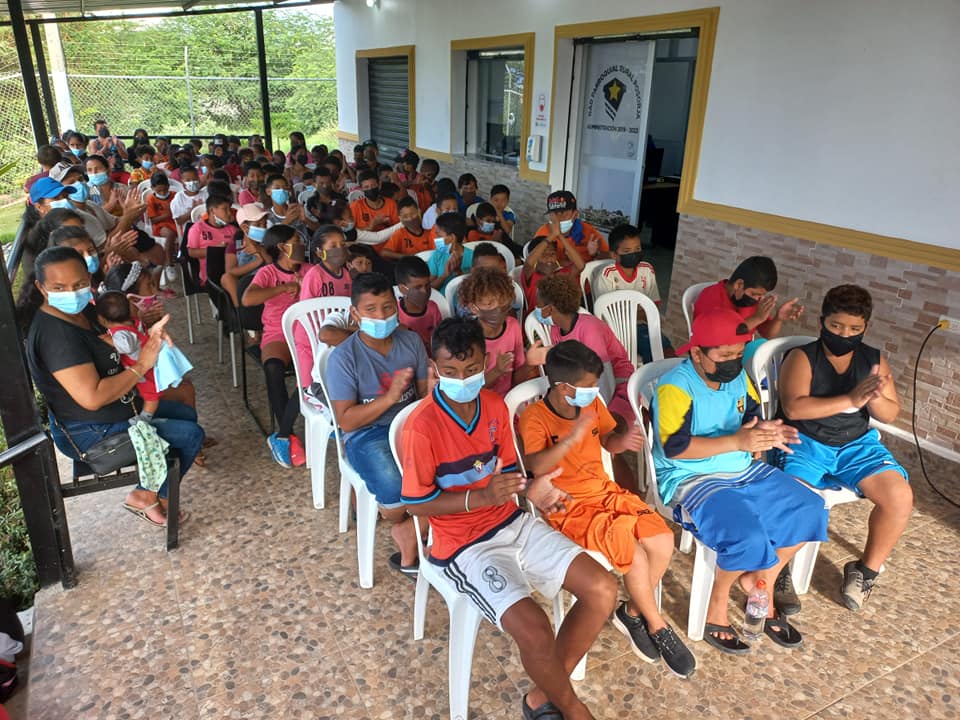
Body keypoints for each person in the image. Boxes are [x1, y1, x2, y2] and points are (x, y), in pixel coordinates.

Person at [401, 317, 617, 720]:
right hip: (463, 544)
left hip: (510, 520)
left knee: (603, 589)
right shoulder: (421, 427)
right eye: (449, 371)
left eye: (470, 369)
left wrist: (531, 489)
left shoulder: (494, 406)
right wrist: (480, 497)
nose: (461, 379)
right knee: (535, 629)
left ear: (486, 362)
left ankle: (541, 696)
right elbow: (416, 505)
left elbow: (507, 473)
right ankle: (573, 708)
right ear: (434, 367)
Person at [651, 309, 829, 655]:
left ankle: (761, 581)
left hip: (741, 467)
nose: (733, 362)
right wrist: (737, 441)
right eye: (724, 355)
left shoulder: (737, 378)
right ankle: (717, 606)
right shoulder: (675, 387)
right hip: (692, 477)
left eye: (737, 353)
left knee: (810, 509)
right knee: (746, 534)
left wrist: (764, 431)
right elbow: (676, 449)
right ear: (697, 352)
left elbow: (750, 417)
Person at [520, 340, 696, 677]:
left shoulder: (591, 404)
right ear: (563, 387)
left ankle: (631, 613)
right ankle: (658, 626)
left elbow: (606, 439)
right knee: (635, 554)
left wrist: (622, 442)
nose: (594, 391)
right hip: (569, 506)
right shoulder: (534, 417)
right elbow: (536, 466)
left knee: (662, 539)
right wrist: (570, 439)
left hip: (606, 492)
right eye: (588, 386)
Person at [26, 246, 204, 528]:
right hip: (91, 433)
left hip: (118, 409)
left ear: (89, 278)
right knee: (191, 435)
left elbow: (118, 333)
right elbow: (93, 398)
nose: (71, 293)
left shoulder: (85, 310)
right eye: (59, 287)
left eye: (79, 284)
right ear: (41, 287)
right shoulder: (56, 336)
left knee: (185, 412)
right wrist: (142, 364)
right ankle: (148, 495)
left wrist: (144, 329)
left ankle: (153, 489)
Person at [777, 284, 910, 611]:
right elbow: (794, 408)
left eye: (854, 328)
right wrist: (851, 399)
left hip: (855, 444)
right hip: (805, 441)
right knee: (795, 503)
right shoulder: (802, 357)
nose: (844, 334)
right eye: (836, 326)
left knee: (899, 497)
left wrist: (874, 398)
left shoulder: (873, 360)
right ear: (822, 321)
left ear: (865, 327)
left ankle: (866, 571)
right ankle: (778, 570)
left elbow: (890, 413)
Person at [326, 272, 428, 575]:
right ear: (355, 313)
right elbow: (346, 421)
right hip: (368, 434)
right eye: (370, 309)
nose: (381, 316)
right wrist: (390, 398)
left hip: (411, 424)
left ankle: (413, 530)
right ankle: (411, 526)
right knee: (395, 492)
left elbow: (424, 395)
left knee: (456, 468)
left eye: (387, 307)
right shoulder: (344, 358)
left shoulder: (411, 341)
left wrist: (435, 390)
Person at [241, 225, 308, 468]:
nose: (301, 244)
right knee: (273, 367)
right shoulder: (268, 272)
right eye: (296, 240)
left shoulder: (309, 270)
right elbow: (248, 299)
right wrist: (283, 288)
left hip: (307, 333)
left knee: (313, 373)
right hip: (278, 333)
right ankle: (288, 436)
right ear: (282, 247)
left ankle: (283, 433)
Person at [594, 223, 672, 364]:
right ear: (614, 255)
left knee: (666, 351)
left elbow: (653, 306)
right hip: (614, 330)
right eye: (627, 251)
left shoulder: (647, 270)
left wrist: (632, 313)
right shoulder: (607, 275)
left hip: (641, 326)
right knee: (657, 353)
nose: (634, 254)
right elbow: (608, 316)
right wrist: (639, 313)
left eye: (638, 249)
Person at [693, 256, 804, 344]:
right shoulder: (710, 297)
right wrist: (757, 318)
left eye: (761, 295)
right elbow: (718, 337)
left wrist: (778, 318)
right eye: (754, 294)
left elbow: (767, 334)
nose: (758, 299)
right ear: (738, 284)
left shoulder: (750, 301)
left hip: (741, 351)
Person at [458, 268, 530, 396]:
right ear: (473, 308)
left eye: (502, 302)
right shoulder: (467, 338)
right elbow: (469, 390)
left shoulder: (513, 326)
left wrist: (530, 363)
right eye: (489, 304)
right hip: (480, 400)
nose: (498, 309)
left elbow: (517, 379)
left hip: (509, 397)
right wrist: (497, 371)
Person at [96, 291, 163, 422]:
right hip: (145, 365)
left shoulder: (122, 333)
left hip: (146, 370)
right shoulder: (134, 322)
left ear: (102, 320)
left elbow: (126, 346)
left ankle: (146, 417)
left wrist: (106, 339)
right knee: (148, 392)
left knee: (151, 395)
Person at [534, 191, 609, 265]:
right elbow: (533, 261)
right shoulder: (543, 233)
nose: (558, 219)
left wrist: (595, 254)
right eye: (554, 214)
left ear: (575, 214)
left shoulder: (590, 233)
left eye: (563, 213)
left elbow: (609, 259)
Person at [521, 235, 584, 313]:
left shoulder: (561, 274)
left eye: (552, 253)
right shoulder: (531, 275)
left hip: (561, 317)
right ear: (534, 256)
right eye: (543, 254)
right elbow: (529, 263)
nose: (548, 257)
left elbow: (580, 266)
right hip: (535, 318)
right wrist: (552, 234)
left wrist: (560, 236)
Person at [394, 256, 442, 352]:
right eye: (417, 287)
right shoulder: (395, 313)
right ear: (402, 289)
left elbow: (440, 338)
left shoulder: (433, 307)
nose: (424, 291)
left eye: (427, 285)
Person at [186, 195, 237, 285]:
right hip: (211, 276)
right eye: (225, 209)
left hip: (233, 271)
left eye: (229, 209)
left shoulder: (232, 229)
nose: (229, 213)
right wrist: (216, 250)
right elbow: (191, 252)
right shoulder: (198, 228)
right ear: (212, 210)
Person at [145, 172, 179, 282]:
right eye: (159, 191)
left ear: (168, 186)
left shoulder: (175, 195)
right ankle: (169, 264)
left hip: (176, 222)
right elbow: (153, 220)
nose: (163, 193)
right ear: (152, 188)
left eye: (165, 190)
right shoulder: (151, 199)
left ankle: (180, 255)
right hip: (161, 225)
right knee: (170, 235)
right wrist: (167, 214)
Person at [428, 212, 472, 294]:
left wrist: (459, 272)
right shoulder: (437, 255)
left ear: (452, 238)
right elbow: (429, 288)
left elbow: (474, 287)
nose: (436, 239)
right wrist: (444, 275)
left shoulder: (473, 256)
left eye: (439, 236)